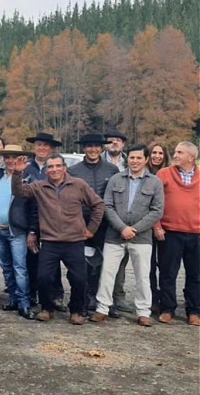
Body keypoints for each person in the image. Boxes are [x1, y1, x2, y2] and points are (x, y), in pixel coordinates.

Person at [11, 154, 105, 325]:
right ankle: (47, 308)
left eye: (57, 166)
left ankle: (76, 310)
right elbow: (19, 192)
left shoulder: (78, 185)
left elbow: (98, 204)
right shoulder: (40, 187)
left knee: (79, 278)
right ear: (46, 170)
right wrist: (17, 174)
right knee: (44, 277)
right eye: (50, 167)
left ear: (64, 167)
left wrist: (91, 229)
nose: (54, 169)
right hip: (50, 241)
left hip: (74, 241)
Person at [90, 144, 164, 326]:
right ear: (127, 159)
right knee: (107, 273)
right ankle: (102, 308)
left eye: (139, 158)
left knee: (143, 276)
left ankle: (143, 311)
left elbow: (157, 211)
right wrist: (122, 228)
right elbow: (107, 206)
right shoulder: (116, 179)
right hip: (115, 236)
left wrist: (135, 229)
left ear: (146, 159)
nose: (135, 161)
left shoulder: (154, 182)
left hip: (142, 238)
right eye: (132, 158)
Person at [68, 133, 120, 313]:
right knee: (82, 263)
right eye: (89, 146)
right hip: (80, 224)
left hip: (105, 224)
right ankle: (84, 298)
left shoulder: (111, 170)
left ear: (102, 148)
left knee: (106, 264)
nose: (93, 149)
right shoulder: (74, 171)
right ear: (84, 148)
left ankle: (105, 301)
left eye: (97, 146)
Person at [154, 141, 200, 326]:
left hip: (196, 234)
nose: (175, 155)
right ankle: (167, 309)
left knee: (196, 275)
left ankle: (194, 311)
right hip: (170, 232)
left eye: (180, 152)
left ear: (191, 157)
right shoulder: (163, 174)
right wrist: (157, 226)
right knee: (167, 273)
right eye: (175, 151)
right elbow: (154, 203)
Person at [0, 145, 38, 319]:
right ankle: (13, 299)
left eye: (15, 157)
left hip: (16, 230)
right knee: (6, 269)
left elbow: (34, 208)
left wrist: (32, 231)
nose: (11, 160)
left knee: (20, 269)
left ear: (22, 159)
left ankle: (24, 304)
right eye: (8, 157)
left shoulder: (28, 179)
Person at [23, 132, 66, 310]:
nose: (42, 148)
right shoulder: (26, 168)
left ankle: (56, 296)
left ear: (52, 149)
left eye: (46, 145)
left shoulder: (56, 169)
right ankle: (33, 294)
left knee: (53, 262)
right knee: (31, 260)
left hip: (52, 221)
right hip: (29, 219)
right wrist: (31, 229)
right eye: (39, 144)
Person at [146, 142, 169, 305]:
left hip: (166, 225)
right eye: (154, 153)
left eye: (160, 153)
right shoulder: (143, 174)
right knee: (149, 266)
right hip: (147, 225)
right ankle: (153, 297)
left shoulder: (170, 174)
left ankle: (166, 297)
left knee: (166, 264)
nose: (157, 156)